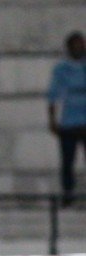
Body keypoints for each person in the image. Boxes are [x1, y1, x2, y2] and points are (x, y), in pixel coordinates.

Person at [47, 31, 86, 208]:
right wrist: (52, 120)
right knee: (67, 162)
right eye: (76, 44)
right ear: (69, 47)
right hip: (69, 123)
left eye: (82, 44)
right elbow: (53, 95)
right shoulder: (61, 69)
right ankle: (68, 196)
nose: (80, 47)